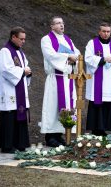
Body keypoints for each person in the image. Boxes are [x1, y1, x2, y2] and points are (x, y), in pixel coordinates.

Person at [40, 16, 80, 147]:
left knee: (67, 107)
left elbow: (77, 54)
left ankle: (60, 134)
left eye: (62, 23)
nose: (61, 25)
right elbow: (50, 55)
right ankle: (50, 136)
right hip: (55, 78)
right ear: (51, 26)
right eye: (58, 23)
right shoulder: (46, 40)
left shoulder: (68, 40)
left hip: (67, 78)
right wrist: (68, 56)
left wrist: (75, 58)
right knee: (53, 107)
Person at [0, 26, 31, 153]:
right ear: (13, 37)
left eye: (24, 39)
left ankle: (20, 143)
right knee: (9, 117)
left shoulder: (20, 52)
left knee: (19, 116)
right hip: (9, 90)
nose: (23, 41)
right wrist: (23, 71)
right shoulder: (5, 51)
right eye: (21, 39)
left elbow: (26, 66)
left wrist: (27, 71)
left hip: (19, 89)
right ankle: (8, 146)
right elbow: (6, 70)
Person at [85, 23, 111, 136]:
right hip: (97, 78)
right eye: (104, 31)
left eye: (108, 31)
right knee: (97, 103)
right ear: (99, 31)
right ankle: (96, 129)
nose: (106, 33)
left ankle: (106, 127)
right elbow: (87, 58)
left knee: (108, 103)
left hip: (110, 80)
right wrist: (102, 59)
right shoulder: (92, 43)